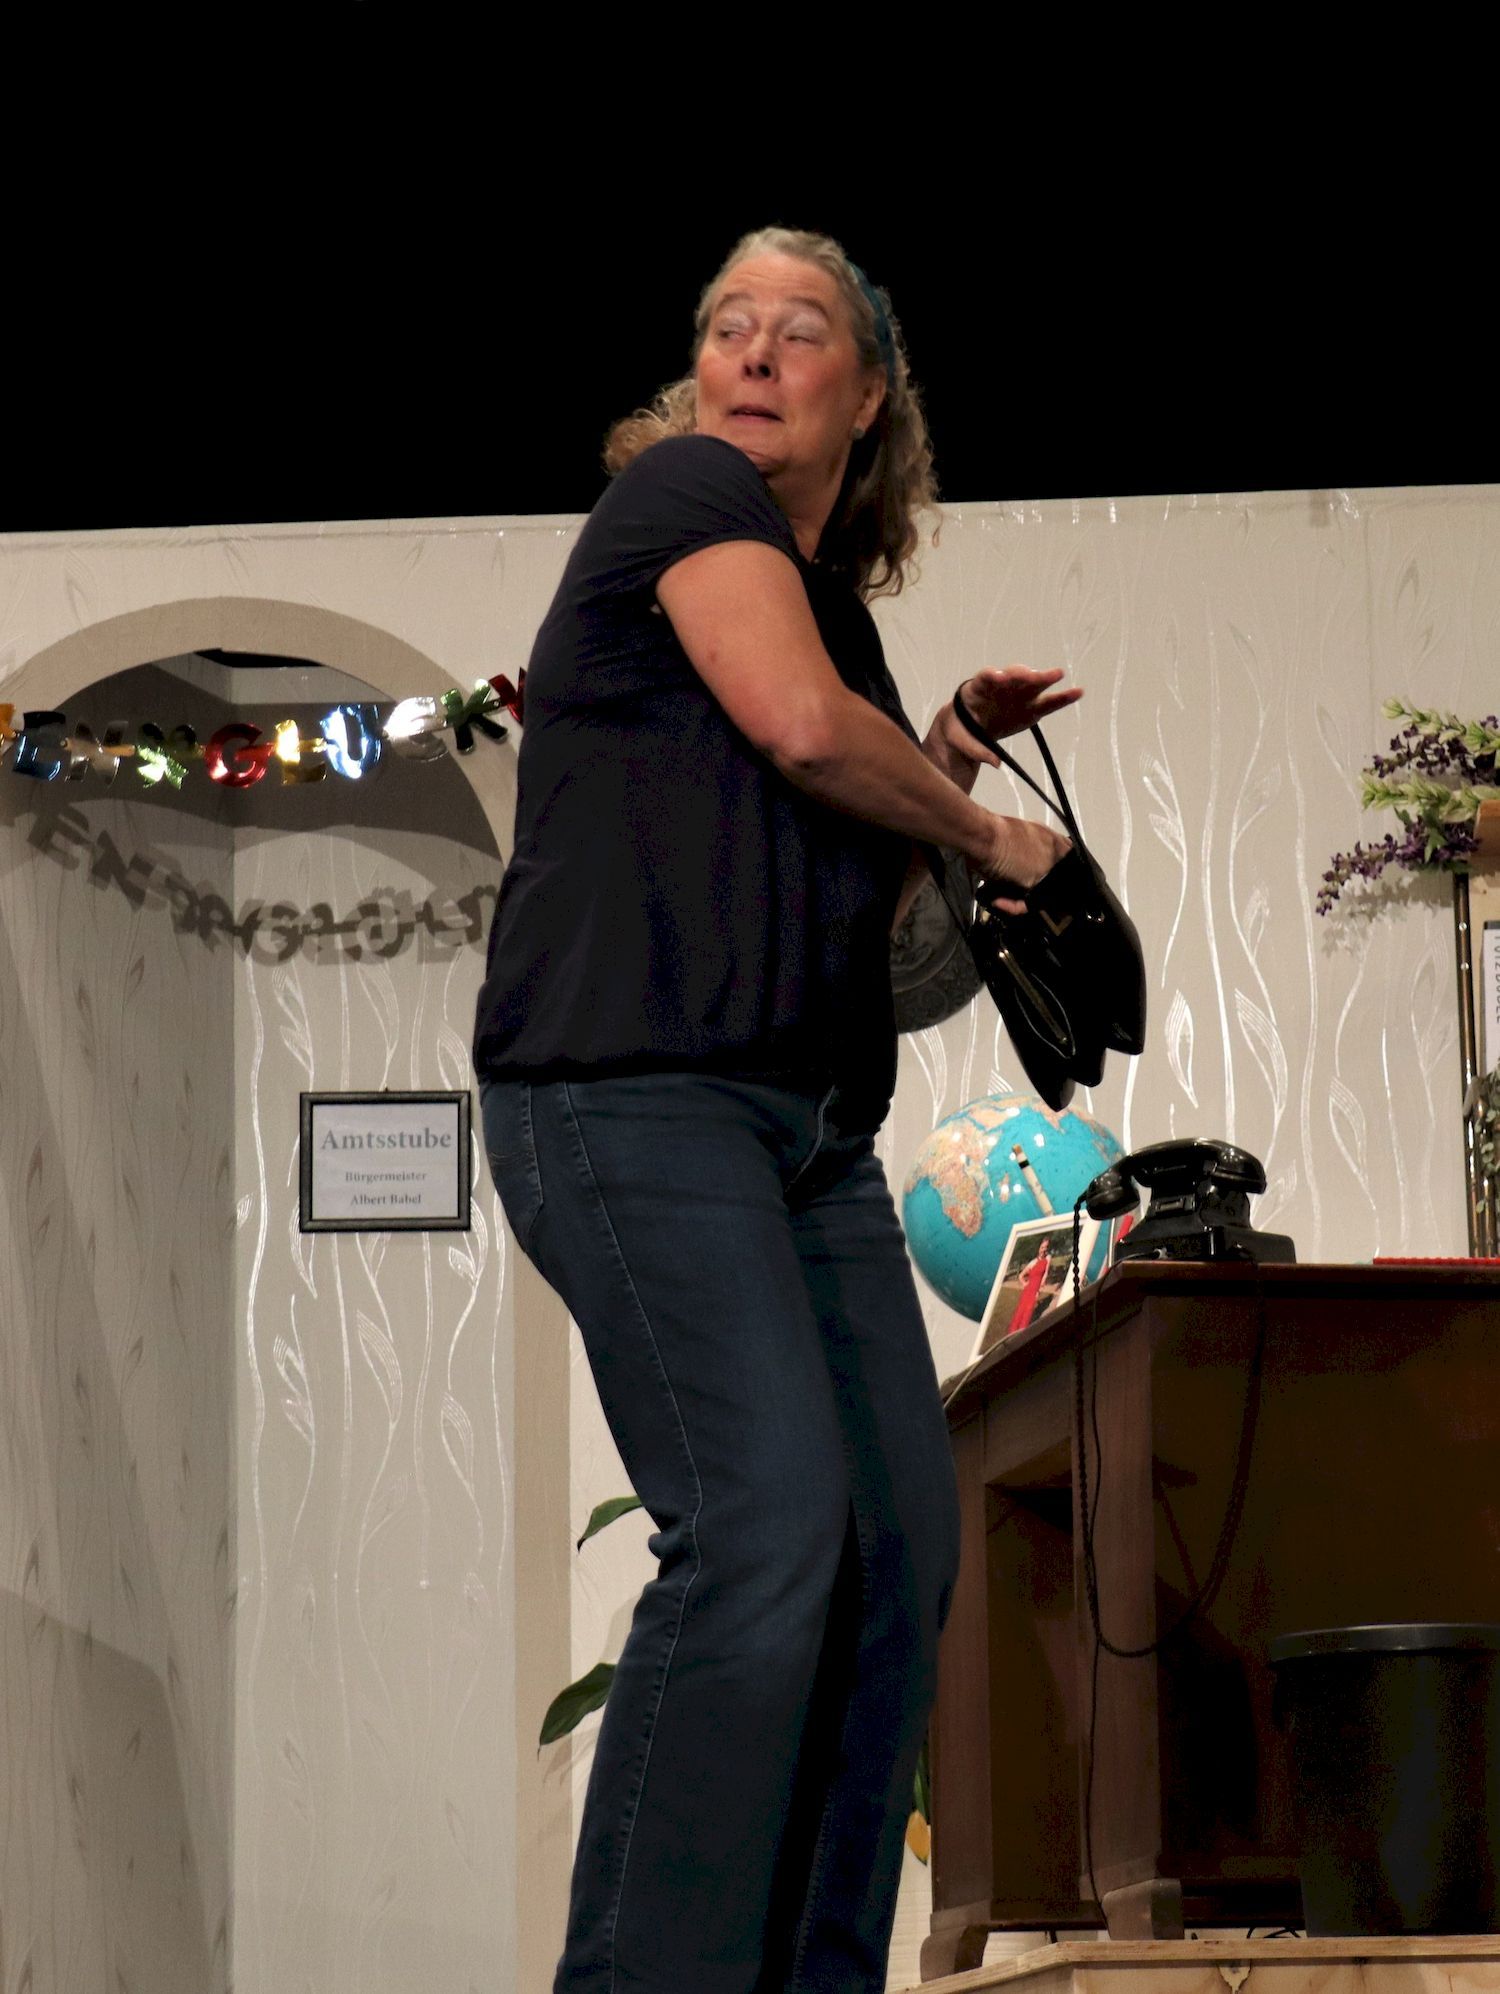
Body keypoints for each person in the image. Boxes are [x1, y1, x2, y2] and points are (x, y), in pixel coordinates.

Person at [474, 225, 1079, 1994]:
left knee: (897, 1553)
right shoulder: (680, 498)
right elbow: (802, 730)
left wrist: (943, 758)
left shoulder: (842, 627)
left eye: (798, 330)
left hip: (802, 1134)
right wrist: (985, 827)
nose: (750, 349)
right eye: (726, 322)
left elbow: (886, 956)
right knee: (760, 1526)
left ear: (869, 394)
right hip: (627, 1096)